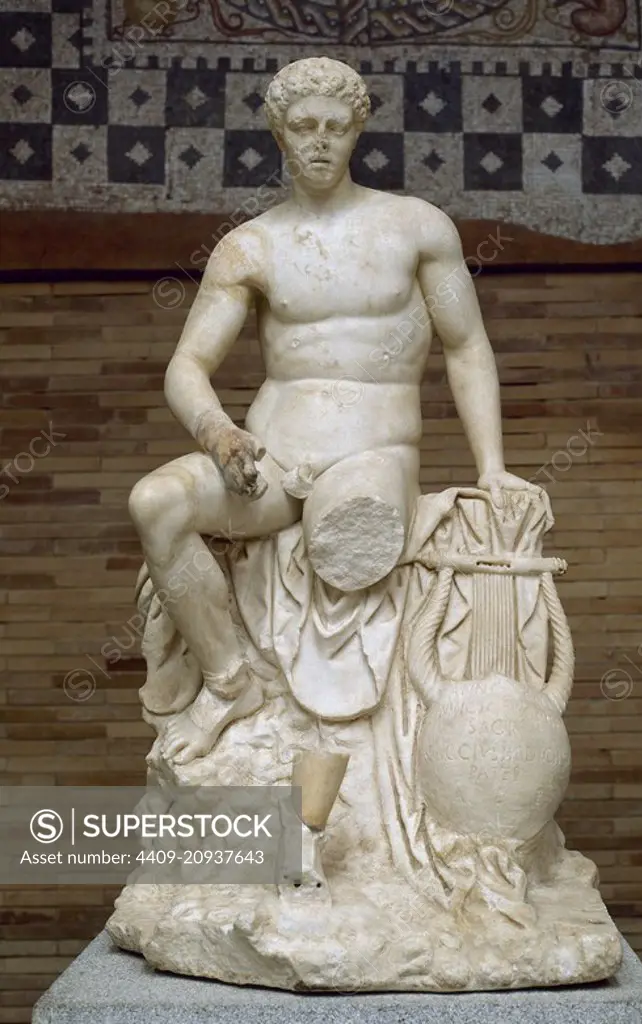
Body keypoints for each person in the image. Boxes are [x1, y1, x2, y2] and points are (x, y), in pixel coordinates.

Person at [128, 56, 539, 764]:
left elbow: (466, 348)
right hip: (272, 461)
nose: (319, 140)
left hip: (372, 457)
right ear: (279, 137)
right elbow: (187, 366)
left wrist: (492, 468)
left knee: (348, 536)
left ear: (357, 132)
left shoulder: (414, 228)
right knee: (155, 501)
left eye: (334, 127)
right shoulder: (249, 245)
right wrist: (219, 431)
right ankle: (231, 684)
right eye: (303, 127)